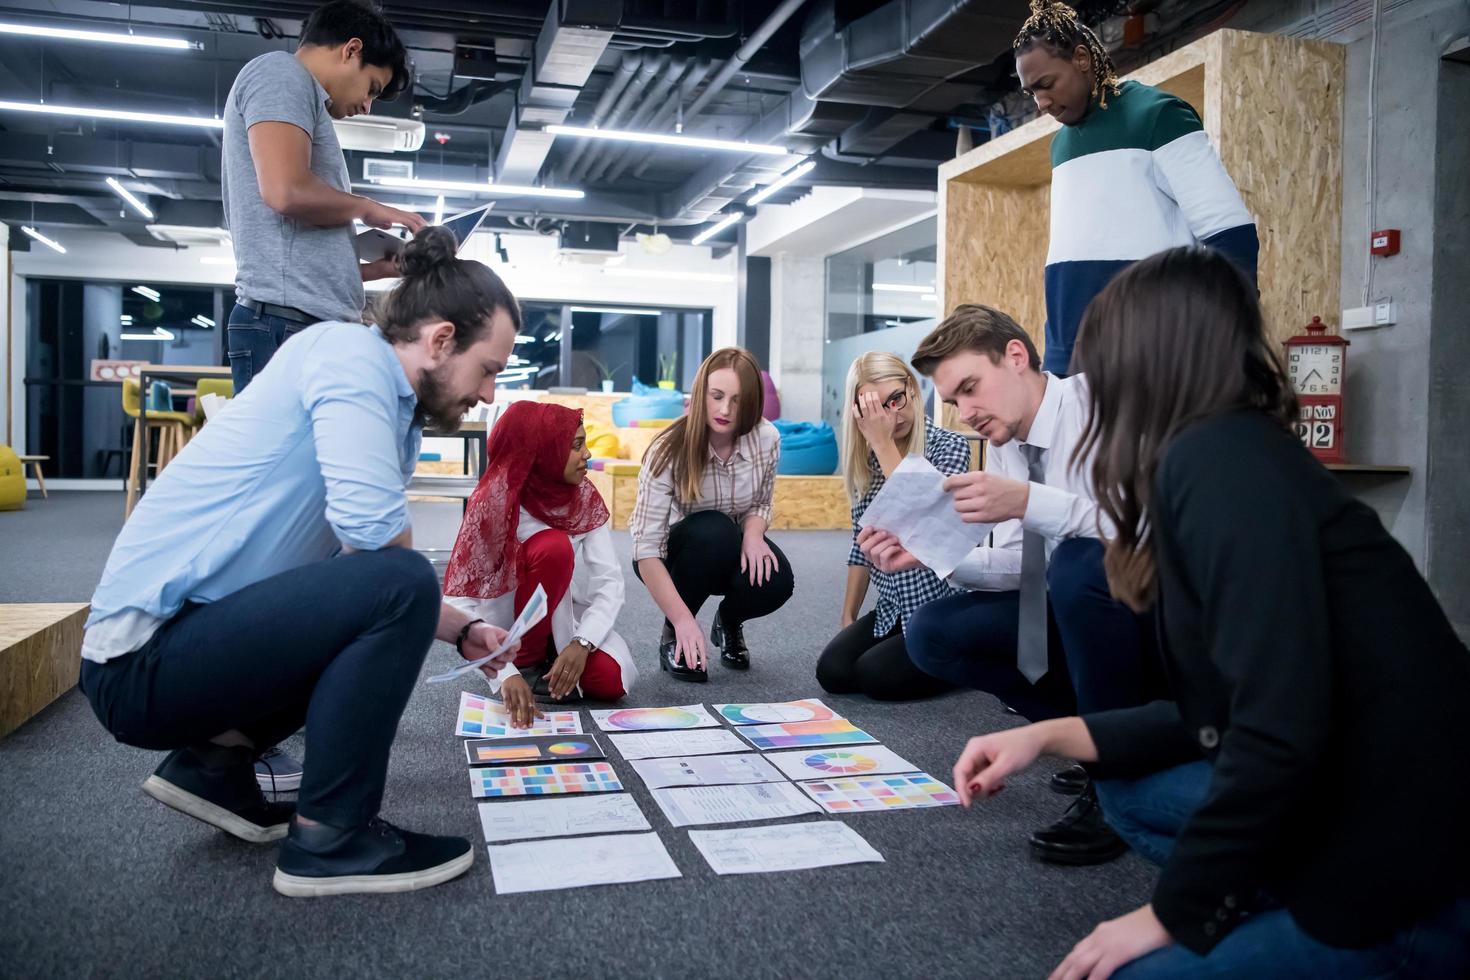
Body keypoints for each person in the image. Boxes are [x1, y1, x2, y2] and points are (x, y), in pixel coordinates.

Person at [951, 247, 1470, 978]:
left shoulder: (1220, 465)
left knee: (1126, 972)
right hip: (1362, 797)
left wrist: (1170, 915)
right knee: (1124, 788)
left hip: (1411, 870)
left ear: (1145, 366)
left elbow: (1275, 728)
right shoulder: (1223, 453)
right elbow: (1217, 711)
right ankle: (1269, 902)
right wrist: (1048, 736)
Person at [80, 227, 525, 898]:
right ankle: (332, 836)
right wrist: (440, 617)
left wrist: (461, 629)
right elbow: (380, 561)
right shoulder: (350, 359)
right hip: (139, 663)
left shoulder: (387, 400)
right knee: (399, 580)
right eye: (489, 369)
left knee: (386, 588)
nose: (489, 394)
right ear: (439, 341)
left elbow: (356, 576)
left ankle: (213, 767)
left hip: (178, 648)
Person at [858, 305, 1161, 865]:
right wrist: (930, 553)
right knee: (931, 633)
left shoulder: (1105, 404)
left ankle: (1120, 784)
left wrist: (1029, 503)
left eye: (971, 388)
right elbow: (1024, 567)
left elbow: (1147, 530)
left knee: (1076, 564)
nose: (966, 412)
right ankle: (1092, 744)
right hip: (1070, 600)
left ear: (1016, 357)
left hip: (1152, 605)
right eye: (953, 402)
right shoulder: (1005, 443)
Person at [1013, 0, 1257, 375]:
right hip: (1076, 361)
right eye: (1031, 92)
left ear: (1081, 59)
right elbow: (1067, 262)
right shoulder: (1061, 144)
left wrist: (1231, 344)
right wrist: (1058, 361)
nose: (1041, 103)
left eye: (1046, 85)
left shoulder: (1157, 116)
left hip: (1154, 356)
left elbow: (1231, 234)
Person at [222, 0, 427, 394]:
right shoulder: (281, 74)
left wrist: (372, 271)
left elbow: (293, 249)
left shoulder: (299, 92)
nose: (367, 106)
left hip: (299, 324)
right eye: (372, 88)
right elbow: (286, 192)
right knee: (286, 458)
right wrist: (369, 208)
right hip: (287, 326)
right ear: (351, 50)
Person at [443, 401, 638, 728]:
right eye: (576, 446)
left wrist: (582, 643)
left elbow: (610, 583)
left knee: (611, 680)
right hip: (509, 632)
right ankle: (527, 665)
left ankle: (551, 662)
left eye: (585, 443)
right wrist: (505, 673)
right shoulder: (494, 504)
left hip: (564, 623)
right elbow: (458, 601)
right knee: (554, 546)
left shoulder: (583, 498)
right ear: (541, 452)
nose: (587, 454)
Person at [630, 347, 793, 682]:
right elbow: (645, 549)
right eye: (717, 396)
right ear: (700, 393)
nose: (725, 410)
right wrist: (682, 620)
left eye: (737, 400)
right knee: (714, 530)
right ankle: (673, 636)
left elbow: (761, 503)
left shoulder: (767, 438)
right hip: (670, 557)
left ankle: (729, 621)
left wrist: (753, 534)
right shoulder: (666, 451)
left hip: (729, 544)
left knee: (776, 581)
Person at [816, 352, 968, 701]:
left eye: (895, 399)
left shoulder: (950, 447)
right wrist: (848, 615)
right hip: (896, 606)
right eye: (876, 409)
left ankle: (966, 660)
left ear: (912, 389)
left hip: (941, 607)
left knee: (876, 676)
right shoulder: (866, 461)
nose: (891, 415)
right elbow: (861, 544)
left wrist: (882, 443)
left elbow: (926, 524)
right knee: (834, 672)